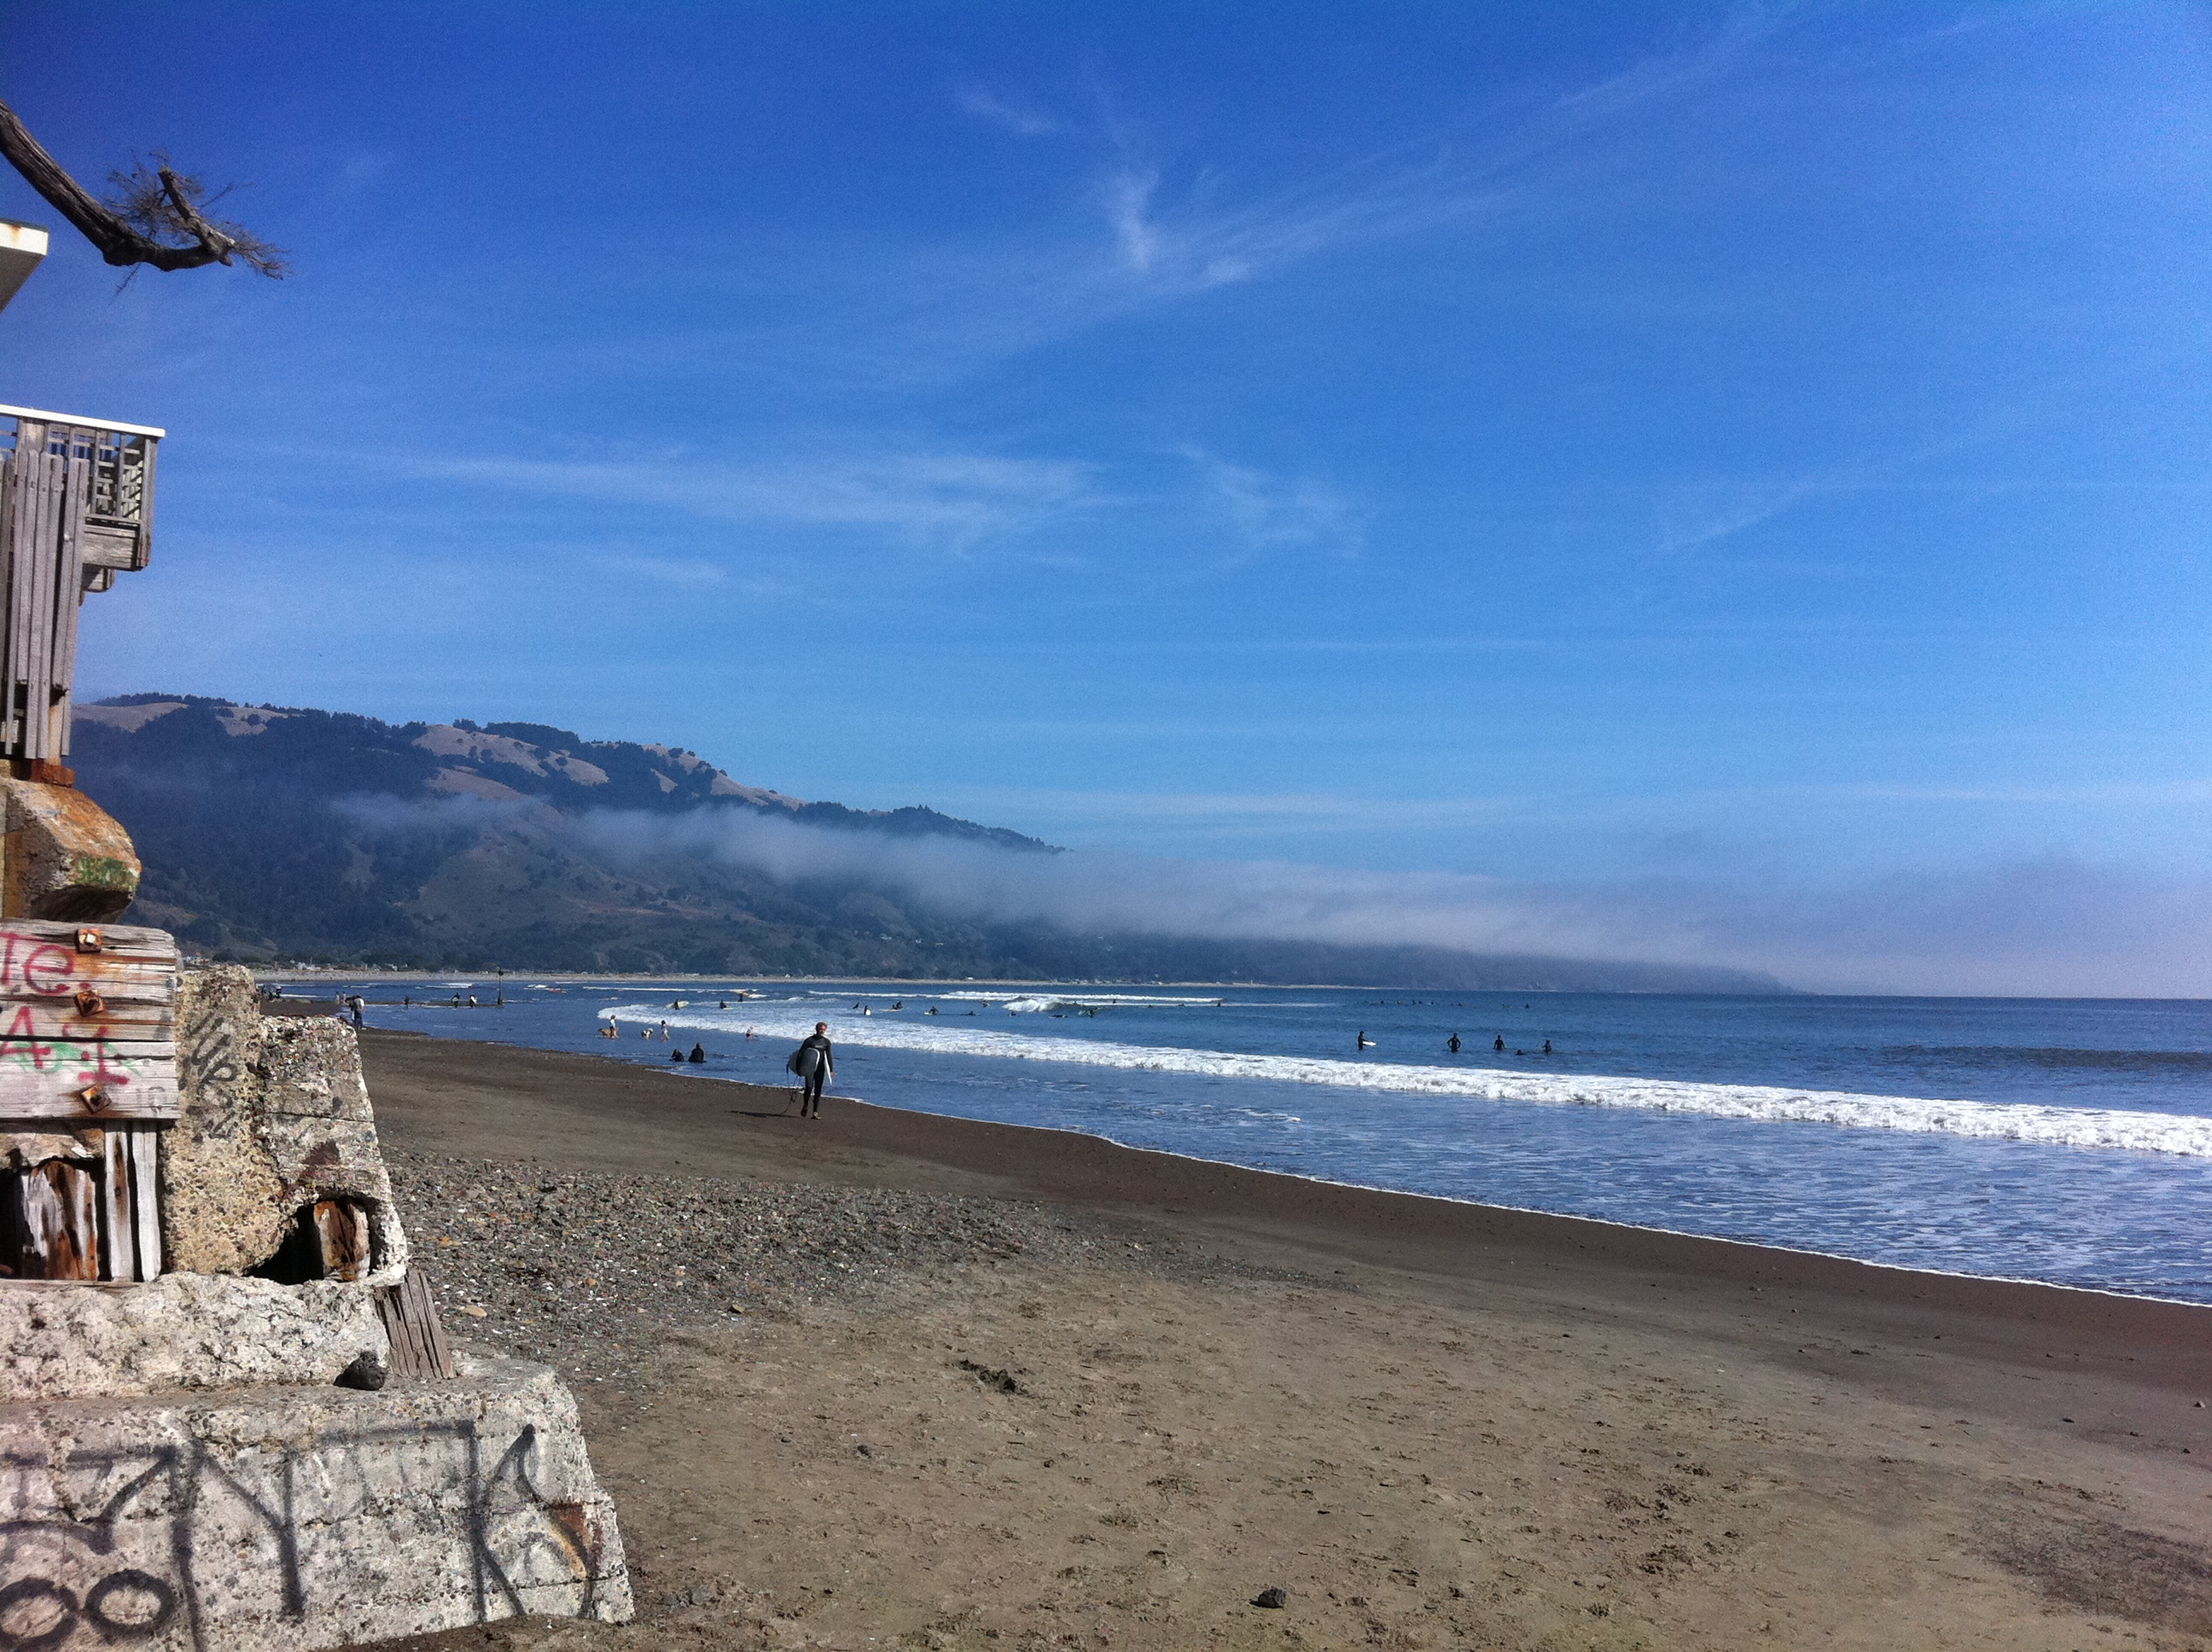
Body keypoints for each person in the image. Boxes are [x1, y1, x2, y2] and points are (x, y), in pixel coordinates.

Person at [789, 1023, 835, 1118]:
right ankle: (805, 1105)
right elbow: (801, 1054)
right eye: (820, 1029)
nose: (821, 1031)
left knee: (818, 1089)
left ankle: (815, 1112)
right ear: (816, 1029)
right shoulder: (809, 1041)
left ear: (825, 1030)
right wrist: (798, 1067)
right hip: (809, 1068)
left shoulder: (826, 1042)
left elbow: (829, 1056)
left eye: (823, 1029)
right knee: (809, 1088)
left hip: (820, 1068)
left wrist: (831, 1070)